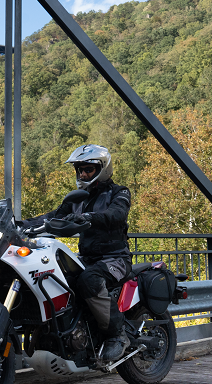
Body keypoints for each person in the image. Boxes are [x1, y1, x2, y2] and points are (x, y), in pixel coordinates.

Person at [24, 144, 133, 363]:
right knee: (55, 278)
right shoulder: (78, 198)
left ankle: (117, 335)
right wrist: (20, 224)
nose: (82, 174)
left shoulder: (119, 192)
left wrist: (89, 217)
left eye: (88, 169)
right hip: (88, 258)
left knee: (89, 280)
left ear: (102, 169)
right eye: (80, 170)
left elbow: (117, 214)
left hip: (115, 258)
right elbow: (54, 216)